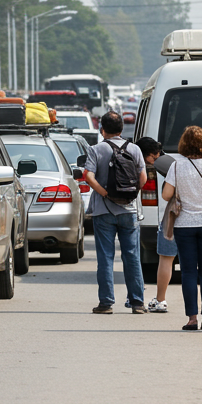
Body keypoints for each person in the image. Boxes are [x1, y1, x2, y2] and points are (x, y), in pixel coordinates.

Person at [160, 125, 202, 331]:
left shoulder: (176, 167)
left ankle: (192, 319)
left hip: (184, 225)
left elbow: (166, 195)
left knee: (188, 272)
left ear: (183, 144)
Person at [83, 111, 147, 314]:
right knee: (132, 256)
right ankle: (137, 302)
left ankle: (106, 303)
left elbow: (88, 176)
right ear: (121, 129)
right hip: (129, 210)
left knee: (105, 256)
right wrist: (130, 195)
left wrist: (105, 193)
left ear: (102, 130)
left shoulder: (96, 149)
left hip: (104, 210)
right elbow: (143, 178)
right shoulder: (135, 149)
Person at [136, 137, 175, 313]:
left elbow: (167, 195)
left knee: (165, 259)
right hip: (199, 219)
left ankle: (160, 300)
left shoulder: (164, 166)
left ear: (152, 155)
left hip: (172, 218)